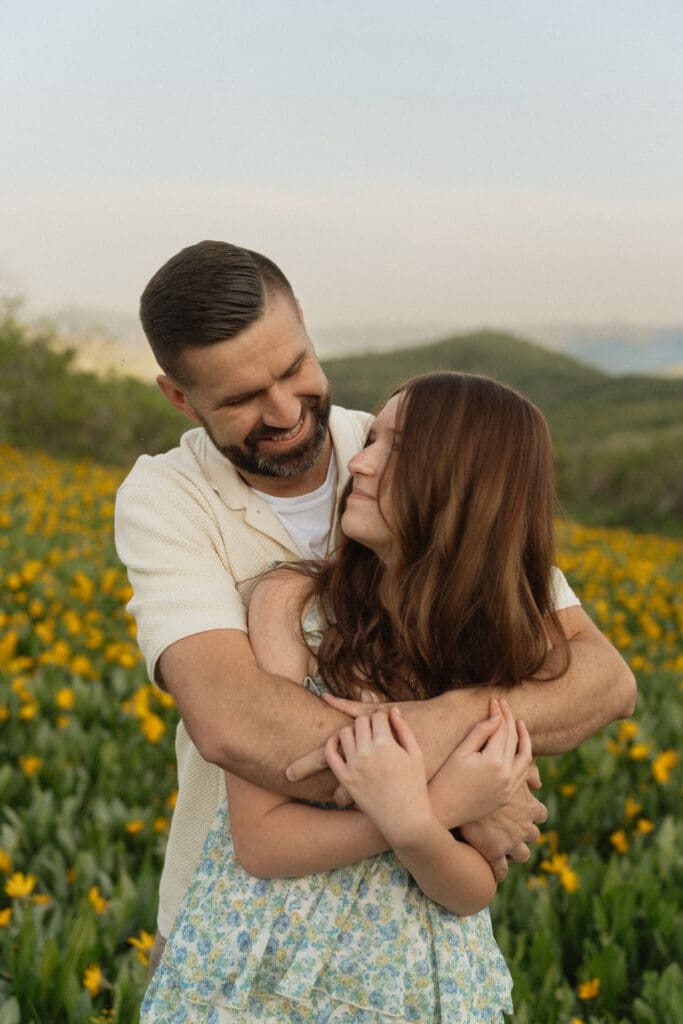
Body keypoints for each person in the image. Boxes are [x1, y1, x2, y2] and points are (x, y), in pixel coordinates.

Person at [114, 241, 636, 976]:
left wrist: (456, 720)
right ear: (179, 397)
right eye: (240, 399)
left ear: (305, 324)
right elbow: (235, 722)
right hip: (232, 930)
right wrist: (457, 792)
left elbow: (603, 680)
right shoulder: (166, 498)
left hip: (407, 939)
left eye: (293, 367)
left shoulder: (415, 449)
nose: (285, 412)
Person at [141, 371, 600, 1022]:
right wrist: (437, 805)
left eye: (397, 447)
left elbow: (472, 891)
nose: (357, 461)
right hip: (262, 976)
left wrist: (417, 818)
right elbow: (260, 844)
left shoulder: (491, 664)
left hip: (414, 993)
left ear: (467, 489)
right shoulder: (290, 605)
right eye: (373, 438)